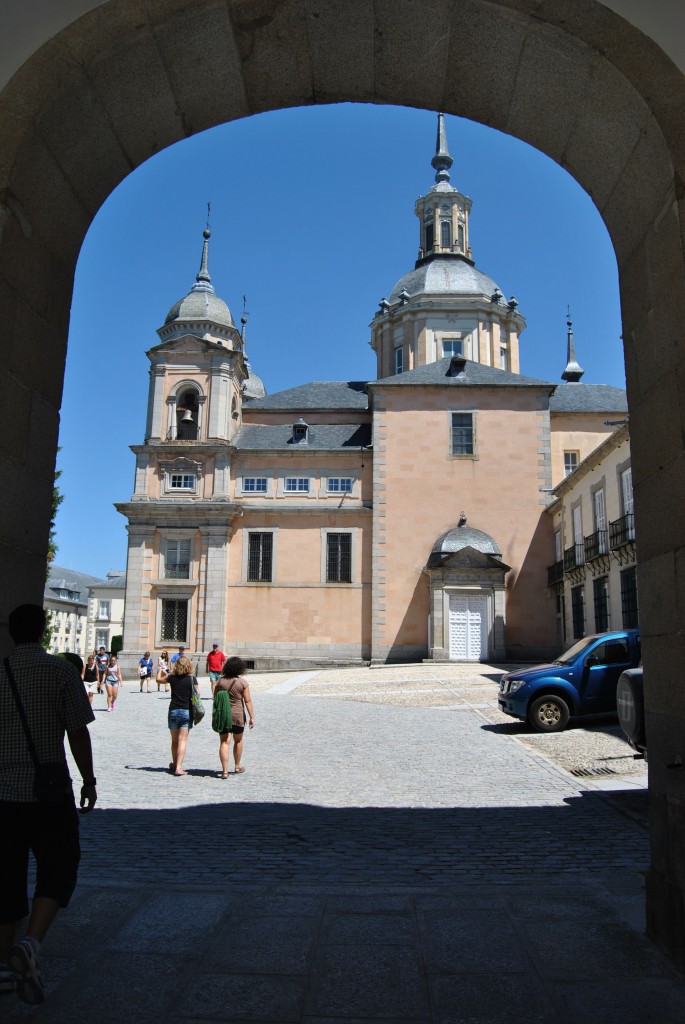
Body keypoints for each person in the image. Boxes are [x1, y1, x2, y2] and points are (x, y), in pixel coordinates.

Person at [0, 604, 97, 1005]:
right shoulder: (60, 671)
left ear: (10, 632)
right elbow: (77, 731)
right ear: (43, 630)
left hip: (3, 791)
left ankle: (5, 964)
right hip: (49, 789)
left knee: (5, 873)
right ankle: (32, 943)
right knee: (59, 865)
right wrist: (89, 779)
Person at [211, 656, 254, 778]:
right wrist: (252, 717)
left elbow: (216, 698)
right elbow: (248, 701)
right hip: (238, 716)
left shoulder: (220, 682)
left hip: (224, 715)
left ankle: (225, 771)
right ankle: (237, 765)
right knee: (238, 740)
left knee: (224, 742)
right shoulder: (242, 683)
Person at [167, 656, 197, 776]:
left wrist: (161, 670)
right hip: (186, 711)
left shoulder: (171, 678)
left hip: (173, 710)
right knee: (182, 740)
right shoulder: (192, 679)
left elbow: (159, 679)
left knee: (174, 740)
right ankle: (179, 767)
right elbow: (198, 693)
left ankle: (174, 764)